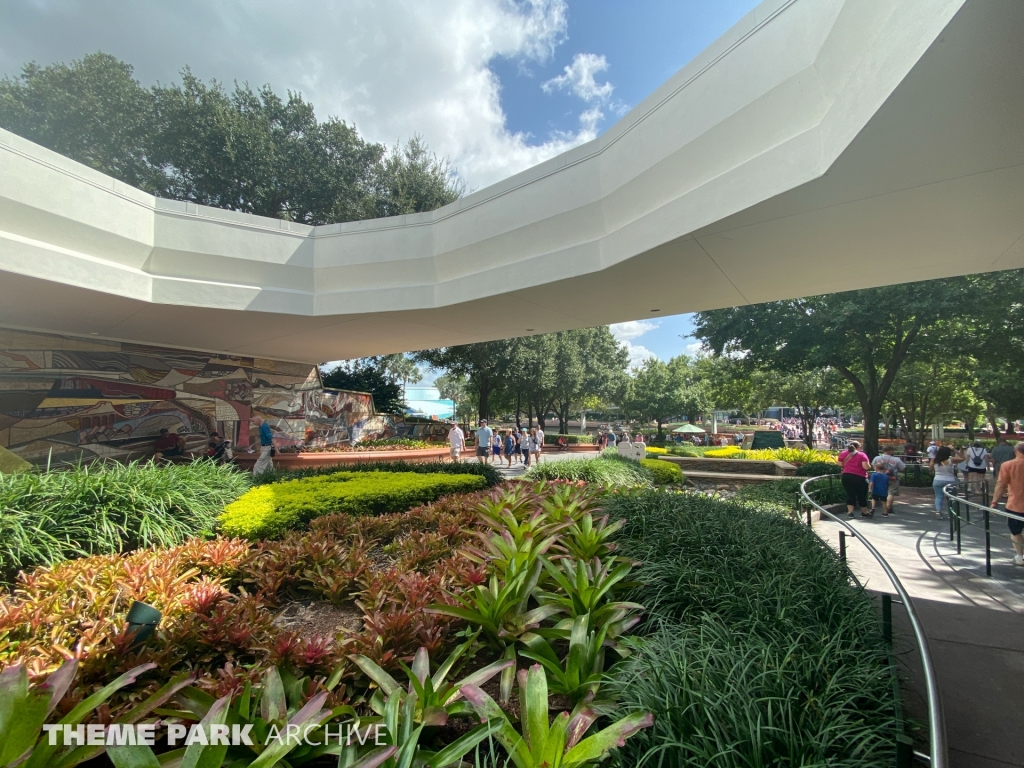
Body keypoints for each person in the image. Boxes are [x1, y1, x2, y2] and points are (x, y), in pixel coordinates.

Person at [991, 441, 1024, 566]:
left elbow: (1001, 485)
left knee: (1015, 532)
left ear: (1015, 451)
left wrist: (994, 502)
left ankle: (1020, 556)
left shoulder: (1008, 465)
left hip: (1015, 504)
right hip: (1016, 504)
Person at [837, 440, 871, 517]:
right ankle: (864, 512)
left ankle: (850, 512)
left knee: (850, 494)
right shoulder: (862, 455)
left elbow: (839, 464)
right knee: (861, 495)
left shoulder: (843, 453)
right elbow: (865, 467)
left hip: (846, 476)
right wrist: (869, 466)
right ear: (858, 447)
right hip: (860, 477)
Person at [930, 445, 963, 518]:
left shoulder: (934, 460)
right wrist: (954, 449)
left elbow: (930, 469)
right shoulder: (951, 460)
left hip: (937, 479)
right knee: (951, 497)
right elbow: (963, 458)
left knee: (938, 497)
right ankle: (952, 513)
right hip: (950, 480)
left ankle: (938, 511)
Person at [873, 446, 906, 514]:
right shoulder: (896, 459)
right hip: (892, 478)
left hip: (880, 477)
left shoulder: (877, 458)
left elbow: (873, 466)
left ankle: (875, 507)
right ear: (890, 451)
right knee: (891, 492)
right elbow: (902, 468)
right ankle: (887, 508)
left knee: (881, 492)